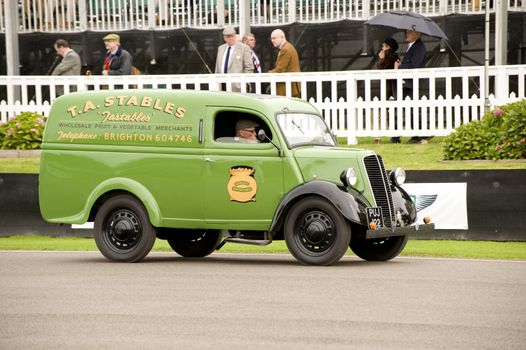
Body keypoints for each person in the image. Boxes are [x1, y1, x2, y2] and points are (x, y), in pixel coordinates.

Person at [394, 29, 427, 144]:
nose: (406, 34)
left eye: (408, 32)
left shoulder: (419, 47)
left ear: (417, 34)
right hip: (408, 83)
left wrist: (399, 67)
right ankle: (414, 135)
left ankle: (419, 134)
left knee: (412, 109)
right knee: (404, 108)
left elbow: (414, 65)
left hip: (413, 83)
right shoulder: (413, 46)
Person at [214, 26, 254, 92]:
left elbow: (249, 67)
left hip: (238, 87)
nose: (230, 39)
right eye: (228, 37)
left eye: (232, 36)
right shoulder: (220, 48)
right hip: (222, 85)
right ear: (224, 38)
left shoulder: (244, 48)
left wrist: (245, 83)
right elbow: (217, 68)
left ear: (235, 36)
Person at [268, 29, 301, 98]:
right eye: (271, 39)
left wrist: (268, 73)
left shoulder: (285, 50)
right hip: (292, 87)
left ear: (282, 37)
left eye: (274, 38)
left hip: (288, 88)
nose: (272, 41)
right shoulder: (288, 47)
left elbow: (280, 69)